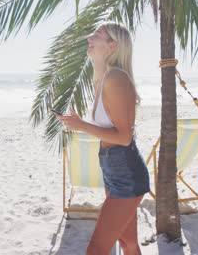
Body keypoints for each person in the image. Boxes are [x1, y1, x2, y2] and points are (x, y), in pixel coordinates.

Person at [56, 22, 150, 255]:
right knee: (128, 244)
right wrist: (78, 124)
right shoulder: (103, 79)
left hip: (126, 172)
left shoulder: (116, 78)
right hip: (113, 168)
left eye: (97, 35)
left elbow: (125, 137)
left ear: (112, 45)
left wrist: (81, 126)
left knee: (96, 249)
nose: (90, 37)